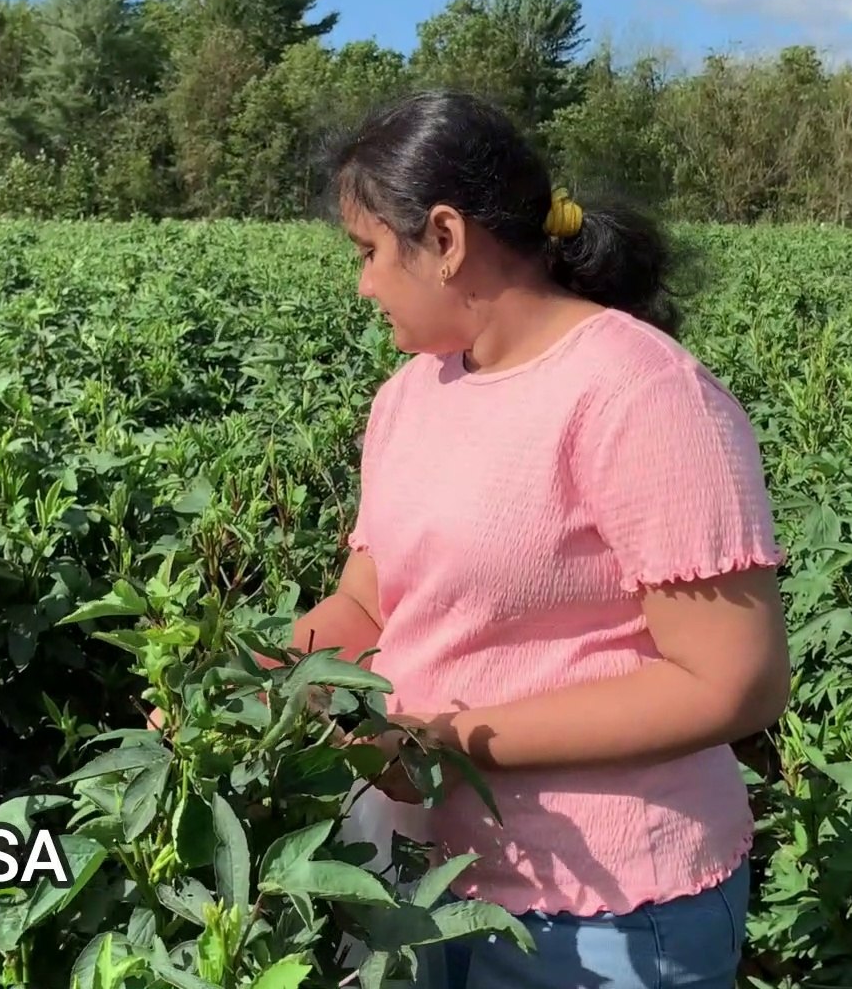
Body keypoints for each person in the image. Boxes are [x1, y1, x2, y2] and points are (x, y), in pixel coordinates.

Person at [293, 88, 791, 989]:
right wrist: (264, 683)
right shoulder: (411, 395)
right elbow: (369, 599)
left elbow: (732, 683)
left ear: (444, 240)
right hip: (425, 878)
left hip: (605, 909)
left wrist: (435, 742)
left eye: (367, 252)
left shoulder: (642, 395)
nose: (361, 283)